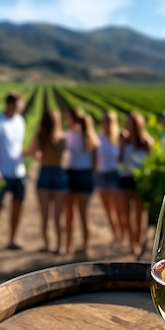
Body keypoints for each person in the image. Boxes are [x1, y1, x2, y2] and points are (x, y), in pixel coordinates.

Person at [0, 92, 26, 254]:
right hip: (1, 173)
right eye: (17, 105)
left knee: (18, 207)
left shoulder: (20, 121)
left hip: (19, 172)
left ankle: (12, 239)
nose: (19, 108)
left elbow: (17, 146)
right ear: (9, 104)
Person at [26, 109, 69, 254]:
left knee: (44, 215)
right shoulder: (62, 138)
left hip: (44, 173)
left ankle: (47, 244)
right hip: (58, 173)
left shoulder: (40, 136)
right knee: (58, 216)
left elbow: (32, 153)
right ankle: (60, 247)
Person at [64, 107, 100, 254]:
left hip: (72, 174)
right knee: (83, 213)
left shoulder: (71, 134)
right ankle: (84, 246)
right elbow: (95, 160)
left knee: (70, 213)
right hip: (85, 175)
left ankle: (68, 246)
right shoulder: (90, 135)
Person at [118, 111, 154, 256]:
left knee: (140, 216)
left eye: (129, 124)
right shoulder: (125, 141)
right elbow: (120, 161)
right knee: (126, 216)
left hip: (140, 181)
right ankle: (133, 244)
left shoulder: (146, 142)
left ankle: (138, 243)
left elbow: (152, 163)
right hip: (125, 180)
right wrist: (121, 143)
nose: (127, 126)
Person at [95, 110, 123, 246]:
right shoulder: (98, 138)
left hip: (113, 175)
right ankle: (116, 235)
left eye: (107, 122)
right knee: (108, 209)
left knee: (118, 209)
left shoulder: (119, 138)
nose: (104, 124)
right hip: (101, 175)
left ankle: (122, 235)